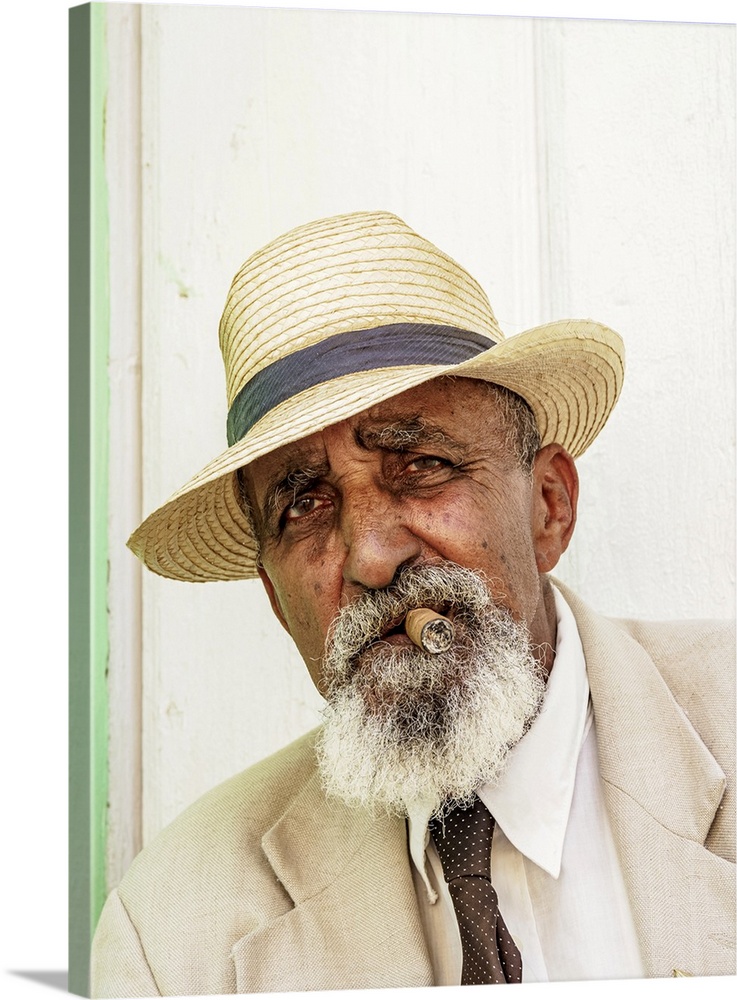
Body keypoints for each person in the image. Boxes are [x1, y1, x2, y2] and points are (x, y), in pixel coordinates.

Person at [90, 210, 735, 996]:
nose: (370, 555)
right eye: (302, 505)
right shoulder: (173, 931)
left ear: (546, 507)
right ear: (274, 596)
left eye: (420, 465)